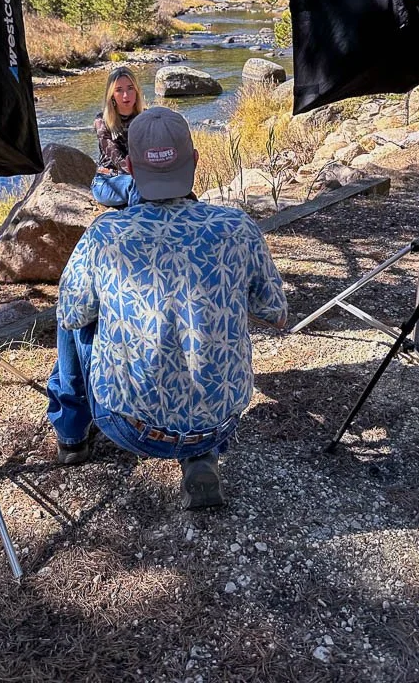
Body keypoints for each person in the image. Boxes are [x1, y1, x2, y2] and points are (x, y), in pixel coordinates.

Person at [47, 107, 287, 509]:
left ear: (129, 168)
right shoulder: (238, 228)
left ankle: (71, 433)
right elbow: (275, 312)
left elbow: (72, 315)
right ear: (195, 160)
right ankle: (200, 456)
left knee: (73, 312)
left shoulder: (105, 234)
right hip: (219, 423)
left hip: (130, 427)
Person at [90, 66, 145, 208]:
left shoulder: (146, 117)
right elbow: (118, 160)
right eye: (119, 90)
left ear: (137, 90)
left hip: (141, 177)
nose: (126, 95)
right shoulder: (102, 121)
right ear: (111, 94)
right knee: (138, 185)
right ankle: (138, 220)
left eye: (130, 88)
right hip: (108, 181)